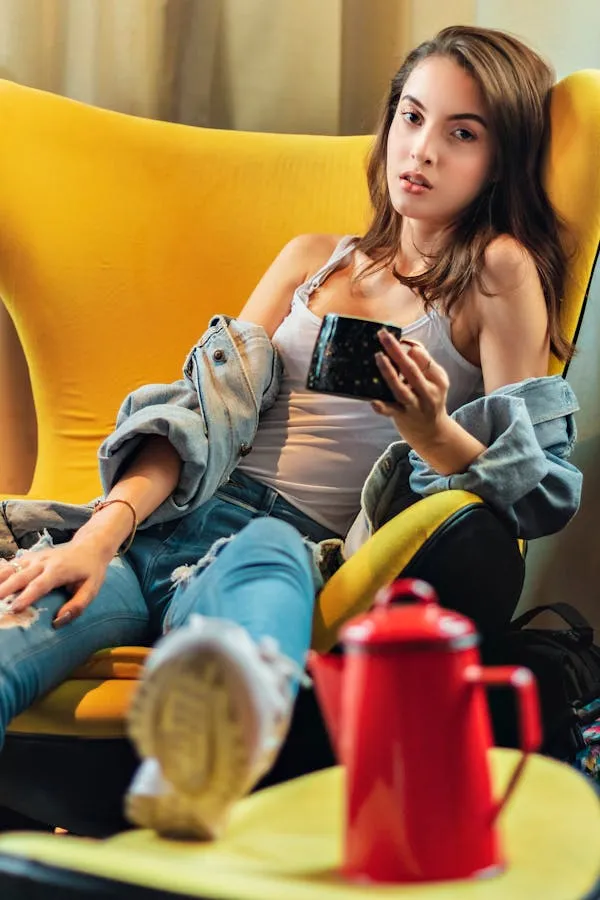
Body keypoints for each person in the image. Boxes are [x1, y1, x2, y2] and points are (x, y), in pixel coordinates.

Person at [0, 25, 582, 839]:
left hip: (288, 544)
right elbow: (198, 414)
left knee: (259, 576)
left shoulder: (498, 274)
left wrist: (431, 432)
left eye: (462, 133)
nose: (421, 151)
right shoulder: (313, 259)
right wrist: (101, 532)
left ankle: (198, 776)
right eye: (411, 118)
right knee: (26, 620)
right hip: (159, 526)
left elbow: (535, 484)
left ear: (502, 158)